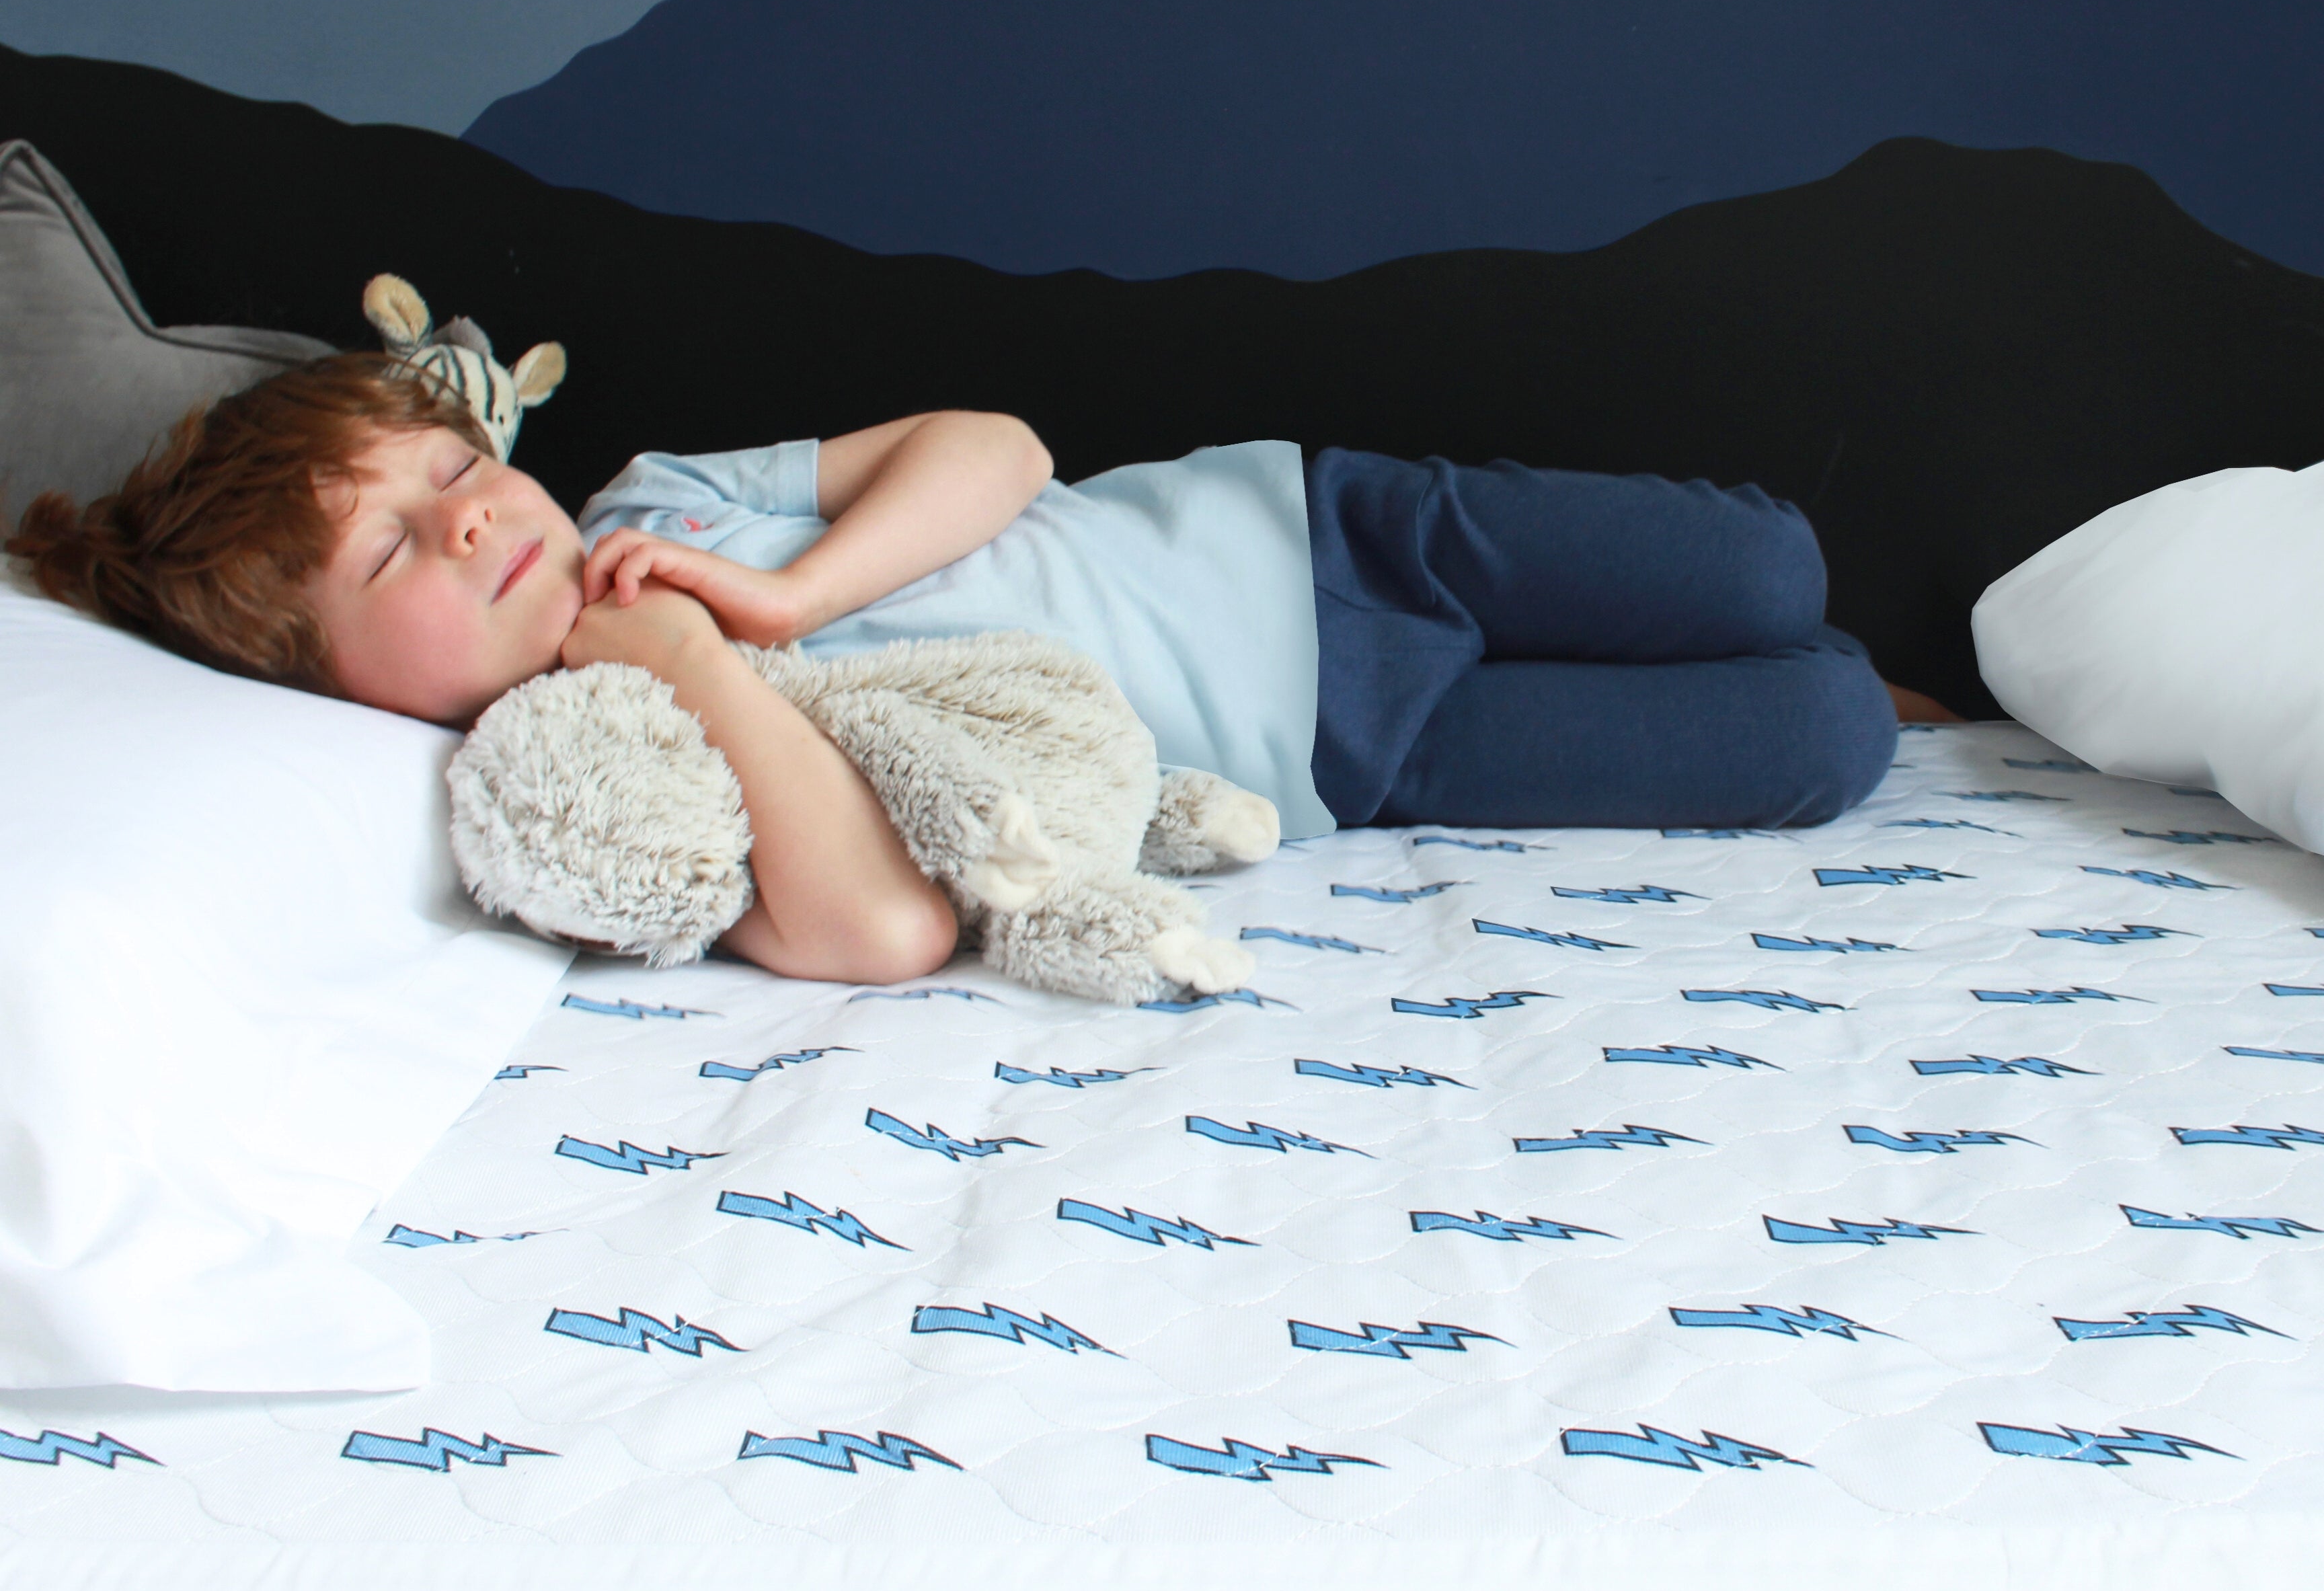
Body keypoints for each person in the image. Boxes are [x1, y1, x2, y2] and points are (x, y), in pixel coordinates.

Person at [7, 355, 1902, 984]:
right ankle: (1875, 696)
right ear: (341, 691)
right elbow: (878, 931)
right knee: (1818, 732)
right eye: (390, 553)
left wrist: (784, 595)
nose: (468, 522)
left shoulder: (654, 501)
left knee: (1771, 564)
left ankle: (1849, 646)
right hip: (1348, 755)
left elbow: (999, 448)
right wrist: (698, 670)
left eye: (448, 469)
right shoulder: (604, 784)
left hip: (1317, 533)